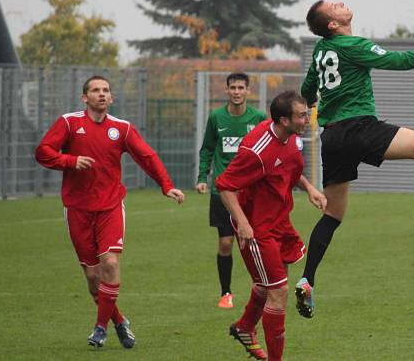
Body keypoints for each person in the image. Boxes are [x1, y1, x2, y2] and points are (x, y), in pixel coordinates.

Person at [295, 0, 414, 318]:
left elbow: (307, 93)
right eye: (333, 6)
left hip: (332, 137)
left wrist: (295, 119)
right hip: (359, 127)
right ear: (333, 24)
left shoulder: (320, 51)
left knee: (333, 215)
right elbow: (400, 60)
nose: (340, 3)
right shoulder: (352, 44)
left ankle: (307, 280)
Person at [35, 75, 185, 349]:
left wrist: (166, 186)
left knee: (111, 265)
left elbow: (147, 157)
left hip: (110, 207)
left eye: (106, 90)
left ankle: (100, 328)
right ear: (85, 97)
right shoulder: (69, 123)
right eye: (95, 90)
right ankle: (118, 321)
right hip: (78, 209)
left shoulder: (122, 128)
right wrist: (69, 160)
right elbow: (43, 152)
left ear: (111, 98)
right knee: (93, 279)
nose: (101, 94)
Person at [217, 91, 327, 361]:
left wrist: (309, 188)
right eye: (302, 116)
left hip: (280, 219)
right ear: (283, 120)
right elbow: (224, 186)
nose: (307, 120)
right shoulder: (256, 151)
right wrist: (243, 224)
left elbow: (288, 167)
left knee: (270, 284)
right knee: (278, 291)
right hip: (258, 226)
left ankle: (244, 326)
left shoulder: (291, 137)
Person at [196, 72, 267, 309]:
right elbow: (207, 149)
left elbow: (267, 150)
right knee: (226, 243)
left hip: (250, 192)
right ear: (226, 90)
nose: (237, 92)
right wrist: (202, 177)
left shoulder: (258, 117)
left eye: (241, 88)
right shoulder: (216, 117)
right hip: (222, 191)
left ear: (248, 91)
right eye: (232, 88)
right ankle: (226, 293)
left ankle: (261, 287)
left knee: (252, 242)